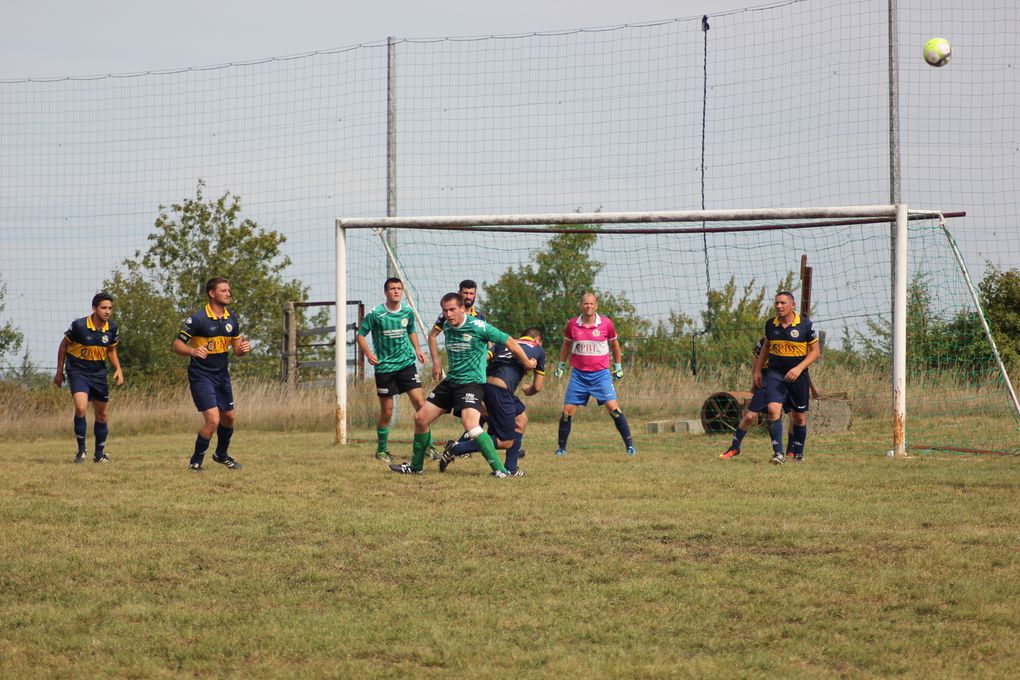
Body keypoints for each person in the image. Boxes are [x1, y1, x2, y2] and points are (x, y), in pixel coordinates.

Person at [390, 292, 536, 477]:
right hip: (451, 382)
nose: (448, 314)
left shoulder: (479, 326)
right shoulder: (445, 324)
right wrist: (436, 362)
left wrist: (526, 363)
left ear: (461, 308)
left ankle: (501, 471)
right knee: (420, 418)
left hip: (471, 385)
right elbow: (432, 335)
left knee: (471, 426)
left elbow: (508, 340)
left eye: (452, 310)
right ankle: (416, 467)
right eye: (444, 310)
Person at [439, 328, 546, 475]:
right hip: (500, 392)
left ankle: (511, 468)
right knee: (505, 441)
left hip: (483, 386)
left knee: (521, 419)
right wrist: (528, 389)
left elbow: (483, 358)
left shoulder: (505, 342)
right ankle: (456, 448)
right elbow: (538, 387)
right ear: (538, 340)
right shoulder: (538, 349)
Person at [172, 277, 251, 471]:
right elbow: (176, 344)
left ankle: (221, 455)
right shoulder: (198, 318)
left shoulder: (231, 318)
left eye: (228, 290)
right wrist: (192, 351)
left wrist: (243, 349)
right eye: (224, 290)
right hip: (201, 375)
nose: (228, 293)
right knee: (213, 420)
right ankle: (196, 461)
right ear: (212, 293)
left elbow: (237, 350)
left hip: (222, 375)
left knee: (229, 418)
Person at [356, 277, 431, 463]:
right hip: (385, 368)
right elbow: (360, 335)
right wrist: (368, 353)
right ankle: (381, 451)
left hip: (406, 364)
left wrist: (418, 350)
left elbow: (411, 330)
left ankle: (427, 447)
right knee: (387, 411)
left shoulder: (407, 311)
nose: (396, 291)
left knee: (422, 406)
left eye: (399, 288)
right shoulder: (376, 314)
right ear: (386, 292)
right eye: (392, 288)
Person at [552, 292, 635, 456]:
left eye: (591, 303)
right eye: (585, 303)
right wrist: (561, 365)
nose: (588, 306)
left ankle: (630, 446)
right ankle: (561, 448)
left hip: (601, 375)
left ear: (596, 306)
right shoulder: (572, 324)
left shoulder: (606, 324)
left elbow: (615, 345)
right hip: (579, 376)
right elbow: (566, 346)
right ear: (580, 306)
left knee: (613, 409)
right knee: (567, 411)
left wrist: (618, 366)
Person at [54, 292, 124, 463]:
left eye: (110, 308)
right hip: (78, 371)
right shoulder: (79, 326)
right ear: (94, 308)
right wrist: (59, 370)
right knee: (81, 408)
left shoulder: (112, 328)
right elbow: (64, 346)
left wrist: (118, 369)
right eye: (103, 308)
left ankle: (99, 454)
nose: (107, 311)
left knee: (102, 416)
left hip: (99, 373)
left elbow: (111, 349)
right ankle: (81, 450)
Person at [758, 291, 820, 464]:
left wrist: (799, 368)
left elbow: (815, 352)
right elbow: (765, 348)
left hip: (798, 377)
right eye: (777, 303)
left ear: (793, 305)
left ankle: (798, 453)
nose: (779, 306)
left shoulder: (806, 326)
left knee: (798, 417)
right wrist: (757, 371)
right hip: (775, 374)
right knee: (772, 410)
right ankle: (778, 453)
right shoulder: (770, 325)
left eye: (783, 303)